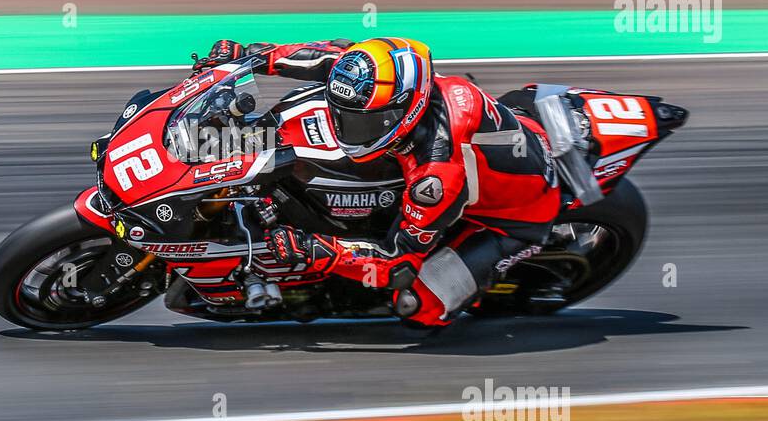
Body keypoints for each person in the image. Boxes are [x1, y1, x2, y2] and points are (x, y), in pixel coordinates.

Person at [199, 36, 562, 327]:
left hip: (514, 217)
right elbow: (320, 56)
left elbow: (398, 263)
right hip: (504, 141)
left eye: (362, 123)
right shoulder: (374, 73)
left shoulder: (434, 177)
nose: (345, 127)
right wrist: (245, 57)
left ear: (404, 112)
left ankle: (476, 285)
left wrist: (317, 250)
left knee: (416, 304)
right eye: (343, 114)